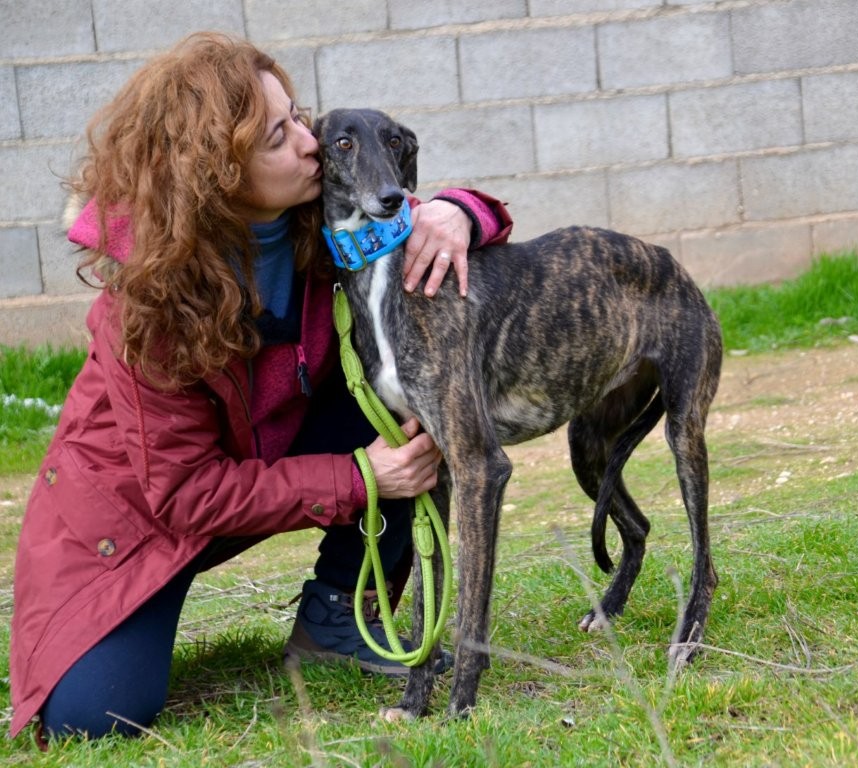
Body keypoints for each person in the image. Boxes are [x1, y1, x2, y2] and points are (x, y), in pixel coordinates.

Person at [9, 31, 512, 742]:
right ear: (217, 172)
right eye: (279, 136)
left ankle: (338, 612)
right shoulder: (148, 305)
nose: (310, 142)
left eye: (297, 117)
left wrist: (459, 212)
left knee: (393, 383)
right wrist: (361, 476)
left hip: (264, 454)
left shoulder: (319, 210)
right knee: (94, 718)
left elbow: (412, 201)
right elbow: (183, 494)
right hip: (130, 527)